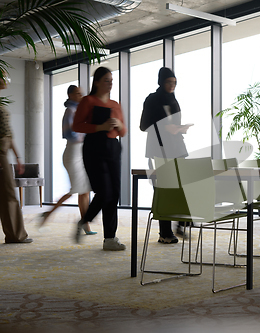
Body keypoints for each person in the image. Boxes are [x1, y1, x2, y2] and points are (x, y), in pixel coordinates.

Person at [72, 67, 127, 251]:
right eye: (106, 80)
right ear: (96, 82)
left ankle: (110, 239)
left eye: (111, 80)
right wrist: (100, 126)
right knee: (105, 192)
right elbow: (77, 125)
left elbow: (124, 131)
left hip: (113, 147)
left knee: (115, 193)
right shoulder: (88, 101)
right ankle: (85, 221)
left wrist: (119, 124)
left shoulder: (115, 104)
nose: (110, 83)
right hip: (94, 148)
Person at [140, 67, 191, 243]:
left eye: (175, 82)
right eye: (169, 82)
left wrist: (179, 128)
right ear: (161, 82)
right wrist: (164, 127)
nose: (172, 85)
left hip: (176, 147)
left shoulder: (173, 100)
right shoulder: (152, 99)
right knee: (164, 189)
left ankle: (182, 222)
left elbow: (173, 124)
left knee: (184, 184)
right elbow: (144, 125)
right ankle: (165, 233)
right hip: (159, 149)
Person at [39, 85, 96, 235]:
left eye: (81, 93)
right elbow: (69, 134)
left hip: (81, 154)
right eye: (77, 93)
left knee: (84, 191)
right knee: (76, 190)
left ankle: (85, 224)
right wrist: (86, 133)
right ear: (70, 95)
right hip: (73, 154)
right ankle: (48, 213)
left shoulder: (78, 111)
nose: (81, 95)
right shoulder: (70, 112)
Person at [0, 73, 33, 244]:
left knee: (7, 195)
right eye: (4, 77)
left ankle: (15, 234)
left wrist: (18, 157)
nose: (7, 80)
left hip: (3, 153)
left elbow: (8, 134)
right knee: (8, 195)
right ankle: (16, 235)